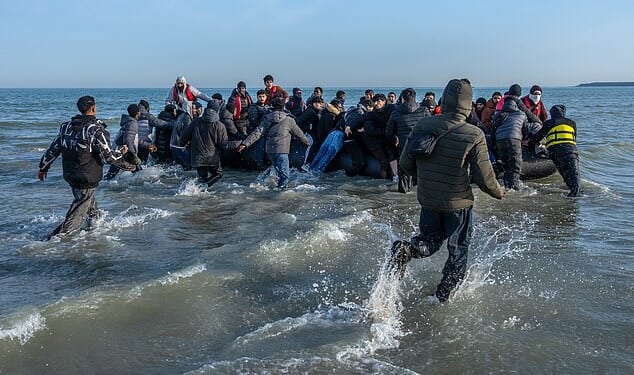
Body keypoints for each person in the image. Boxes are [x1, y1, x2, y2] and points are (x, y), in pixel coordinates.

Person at [389, 79, 505, 303]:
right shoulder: (473, 133)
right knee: (458, 251)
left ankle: (407, 250)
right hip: (458, 203)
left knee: (429, 241)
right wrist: (498, 192)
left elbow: (406, 163)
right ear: (468, 105)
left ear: (445, 100)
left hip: (428, 199)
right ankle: (441, 299)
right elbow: (483, 176)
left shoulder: (423, 125)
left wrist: (425, 177)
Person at [38, 96, 136, 239]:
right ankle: (56, 240)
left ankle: (94, 232)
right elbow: (108, 157)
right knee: (76, 214)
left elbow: (53, 149)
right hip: (87, 176)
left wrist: (43, 167)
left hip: (71, 174)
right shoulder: (95, 129)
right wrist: (122, 150)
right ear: (94, 108)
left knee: (91, 208)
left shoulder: (66, 127)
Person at [237, 96, 311, 190]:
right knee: (285, 174)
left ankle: (274, 188)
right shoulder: (289, 120)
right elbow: (299, 134)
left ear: (272, 106)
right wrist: (307, 142)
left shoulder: (267, 118)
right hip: (282, 150)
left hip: (270, 151)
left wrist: (245, 144)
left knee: (277, 171)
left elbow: (258, 132)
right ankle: (281, 192)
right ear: (283, 106)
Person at [386, 88, 430, 192]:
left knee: (404, 176)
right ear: (414, 98)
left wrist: (394, 140)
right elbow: (430, 128)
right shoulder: (424, 110)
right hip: (421, 146)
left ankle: (403, 199)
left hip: (404, 146)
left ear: (402, 99)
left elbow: (388, 133)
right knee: (421, 175)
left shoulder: (396, 113)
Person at [492, 98, 541, 190]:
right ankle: (514, 187)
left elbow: (493, 130)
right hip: (514, 139)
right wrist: (525, 138)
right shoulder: (521, 114)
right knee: (515, 163)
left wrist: (494, 144)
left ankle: (506, 184)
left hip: (500, 141)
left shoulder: (498, 115)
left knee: (504, 162)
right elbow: (525, 130)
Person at [533, 105, 580, 196]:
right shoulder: (572, 123)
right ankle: (575, 193)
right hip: (572, 151)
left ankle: (572, 193)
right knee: (575, 173)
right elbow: (574, 137)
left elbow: (538, 137)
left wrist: (529, 142)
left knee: (565, 173)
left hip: (556, 152)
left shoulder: (550, 123)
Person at [179, 101, 229, 187]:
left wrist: (183, 144)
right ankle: (202, 188)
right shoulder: (220, 125)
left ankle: (198, 192)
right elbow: (223, 145)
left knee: (202, 177)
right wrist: (237, 144)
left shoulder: (196, 121)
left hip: (197, 156)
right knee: (218, 174)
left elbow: (184, 137)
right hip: (211, 157)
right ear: (217, 110)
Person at [104, 104, 149, 180]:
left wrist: (147, 145)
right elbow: (128, 139)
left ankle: (104, 184)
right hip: (126, 153)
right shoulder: (132, 123)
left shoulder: (128, 122)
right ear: (137, 113)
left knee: (112, 173)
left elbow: (133, 138)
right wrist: (133, 155)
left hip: (119, 150)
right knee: (139, 174)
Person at [309, 99, 345, 172]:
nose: (340, 109)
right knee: (327, 153)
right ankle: (318, 169)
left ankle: (312, 168)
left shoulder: (325, 113)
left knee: (321, 153)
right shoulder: (330, 115)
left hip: (322, 136)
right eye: (339, 107)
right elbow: (328, 129)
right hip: (325, 137)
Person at [171, 101, 203, 170]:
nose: (195, 111)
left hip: (174, 145)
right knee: (187, 167)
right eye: (194, 108)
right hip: (180, 147)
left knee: (178, 167)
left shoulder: (182, 115)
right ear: (190, 108)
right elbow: (188, 134)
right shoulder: (187, 118)